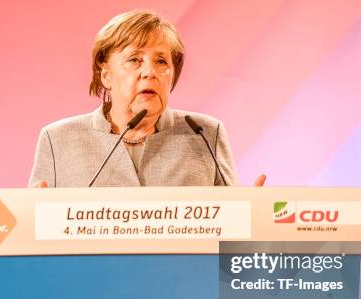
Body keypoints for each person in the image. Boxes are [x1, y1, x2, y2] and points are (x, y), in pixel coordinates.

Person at [28, 9, 266, 188]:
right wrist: (32, 219)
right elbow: (34, 234)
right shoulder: (58, 140)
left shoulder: (205, 134)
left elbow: (231, 229)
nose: (149, 72)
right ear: (106, 75)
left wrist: (251, 216)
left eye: (161, 61)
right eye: (135, 60)